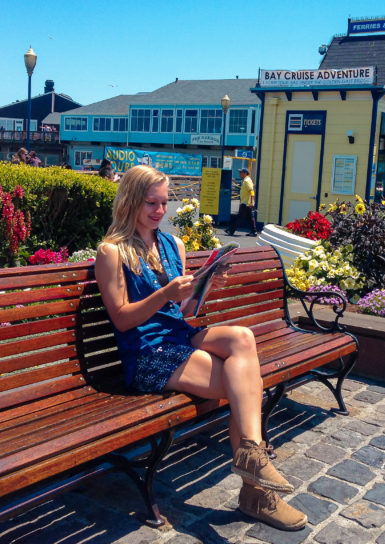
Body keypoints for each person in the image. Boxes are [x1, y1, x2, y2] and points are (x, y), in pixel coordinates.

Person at [94, 165, 307, 531]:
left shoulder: (171, 244)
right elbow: (122, 320)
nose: (160, 211)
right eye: (151, 203)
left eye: (164, 203)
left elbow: (185, 310)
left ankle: (251, 455)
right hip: (147, 353)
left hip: (177, 336)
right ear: (130, 200)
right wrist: (165, 294)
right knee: (244, 384)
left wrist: (207, 285)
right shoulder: (112, 252)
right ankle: (255, 493)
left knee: (242, 338)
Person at [228, 167, 258, 236]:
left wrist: (252, 202)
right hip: (245, 202)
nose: (239, 174)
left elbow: (251, 191)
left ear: (245, 173)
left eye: (241, 172)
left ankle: (230, 230)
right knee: (250, 218)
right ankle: (254, 231)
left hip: (246, 203)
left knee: (239, 217)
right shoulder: (244, 180)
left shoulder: (247, 181)